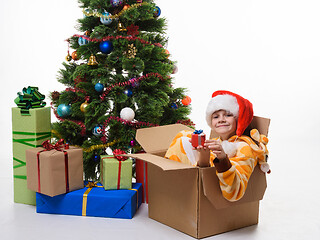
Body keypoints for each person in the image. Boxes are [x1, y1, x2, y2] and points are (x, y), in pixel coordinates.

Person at [165, 90, 270, 202]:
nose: (221, 120)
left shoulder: (244, 147)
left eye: (228, 115)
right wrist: (203, 160)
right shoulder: (213, 142)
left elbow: (234, 193)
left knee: (183, 139)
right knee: (184, 136)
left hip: (211, 200)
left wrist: (223, 159)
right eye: (216, 117)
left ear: (238, 119)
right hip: (192, 188)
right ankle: (170, 185)